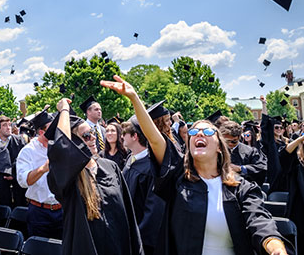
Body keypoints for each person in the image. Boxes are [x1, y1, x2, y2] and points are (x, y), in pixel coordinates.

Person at [101, 75, 289, 255]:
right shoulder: (178, 181)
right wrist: (135, 98)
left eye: (207, 131)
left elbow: (260, 221)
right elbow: (156, 141)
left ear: (219, 146)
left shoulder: (241, 188)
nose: (199, 134)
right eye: (193, 132)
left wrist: (275, 246)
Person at [46, 98, 143, 255]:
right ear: (73, 142)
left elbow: (129, 217)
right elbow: (62, 149)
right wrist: (64, 109)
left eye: (92, 133)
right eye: (85, 136)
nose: (92, 138)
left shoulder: (110, 167)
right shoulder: (68, 178)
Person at [16, 109, 63, 240]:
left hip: (62, 209)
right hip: (40, 212)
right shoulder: (28, 151)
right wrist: (43, 168)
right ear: (42, 132)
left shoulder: (61, 146)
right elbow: (23, 181)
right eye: (52, 128)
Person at [121, 117, 165, 255]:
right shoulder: (130, 159)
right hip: (127, 232)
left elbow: (153, 210)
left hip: (141, 240)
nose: (121, 137)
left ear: (134, 136)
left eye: (124, 134)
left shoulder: (151, 167)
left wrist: (138, 237)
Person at [0, 115, 27, 208]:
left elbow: (24, 159)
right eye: (4, 125)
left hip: (17, 185)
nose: (8, 127)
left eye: (9, 125)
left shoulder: (19, 141)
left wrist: (12, 173)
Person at [219, 121, 267, 187]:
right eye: (226, 141)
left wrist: (240, 168)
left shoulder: (250, 151)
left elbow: (261, 167)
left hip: (244, 187)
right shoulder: (217, 151)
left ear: (239, 137)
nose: (230, 144)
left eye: (234, 141)